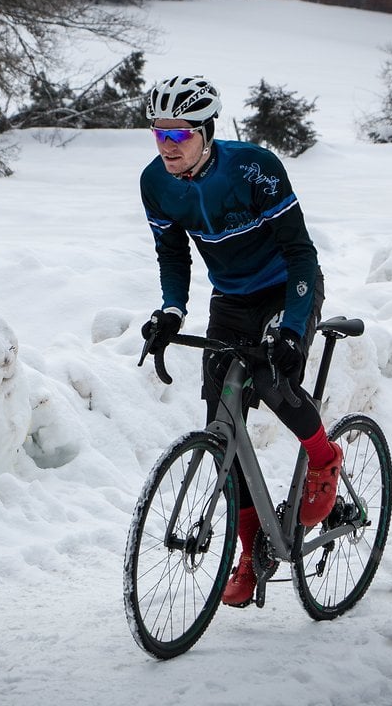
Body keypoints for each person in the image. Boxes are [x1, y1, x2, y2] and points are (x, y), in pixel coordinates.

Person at [138, 75, 343, 607]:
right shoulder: (155, 183)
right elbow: (173, 255)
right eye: (158, 132)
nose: (167, 145)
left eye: (179, 133)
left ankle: (324, 459)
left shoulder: (256, 168)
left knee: (273, 380)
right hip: (230, 300)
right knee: (220, 419)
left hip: (287, 287)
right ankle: (251, 552)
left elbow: (301, 254)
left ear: (207, 132)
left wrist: (295, 331)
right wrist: (171, 310)